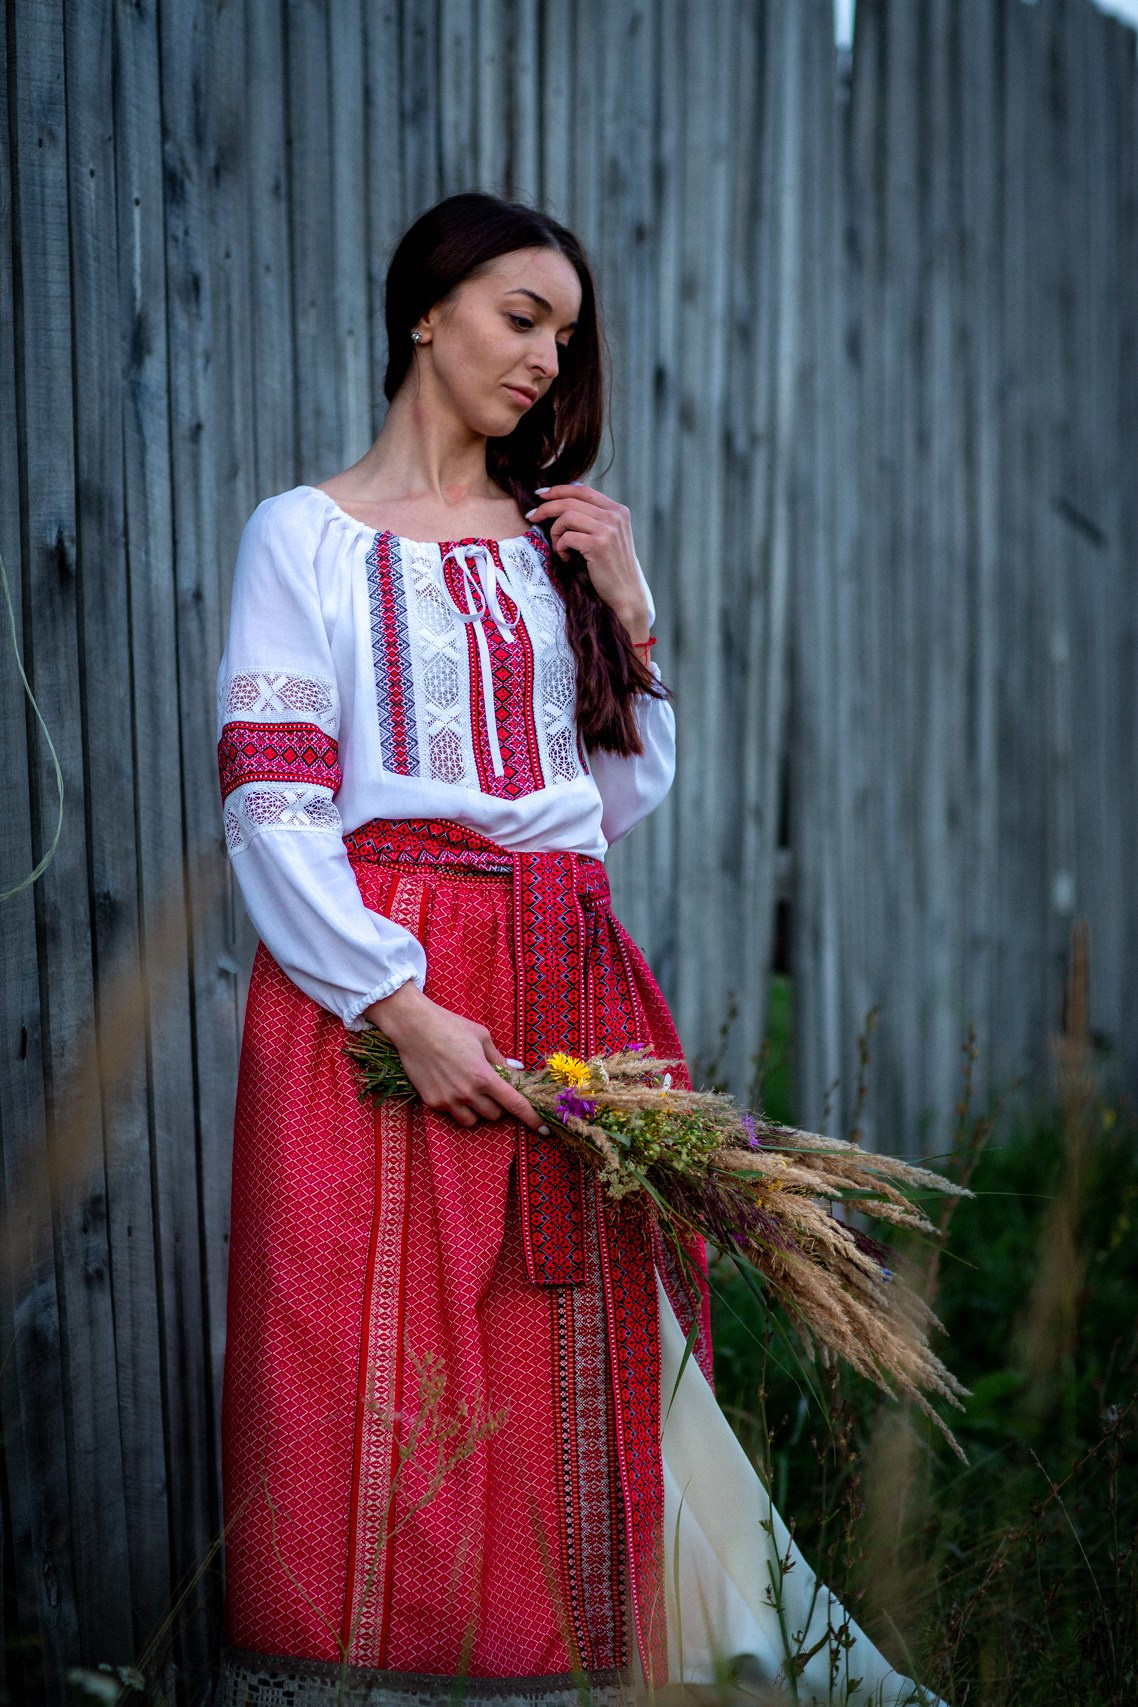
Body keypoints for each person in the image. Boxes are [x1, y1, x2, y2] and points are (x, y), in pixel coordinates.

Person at [213, 191, 943, 1707]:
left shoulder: (555, 544)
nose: (547, 358)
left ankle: (577, 1670)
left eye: (566, 333)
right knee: (364, 1344)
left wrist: (626, 607)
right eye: (518, 316)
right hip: (375, 976)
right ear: (427, 310)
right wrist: (396, 1003)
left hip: (565, 972)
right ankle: (356, 1681)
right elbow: (274, 806)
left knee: (580, 1342)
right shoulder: (303, 537)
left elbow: (608, 803)